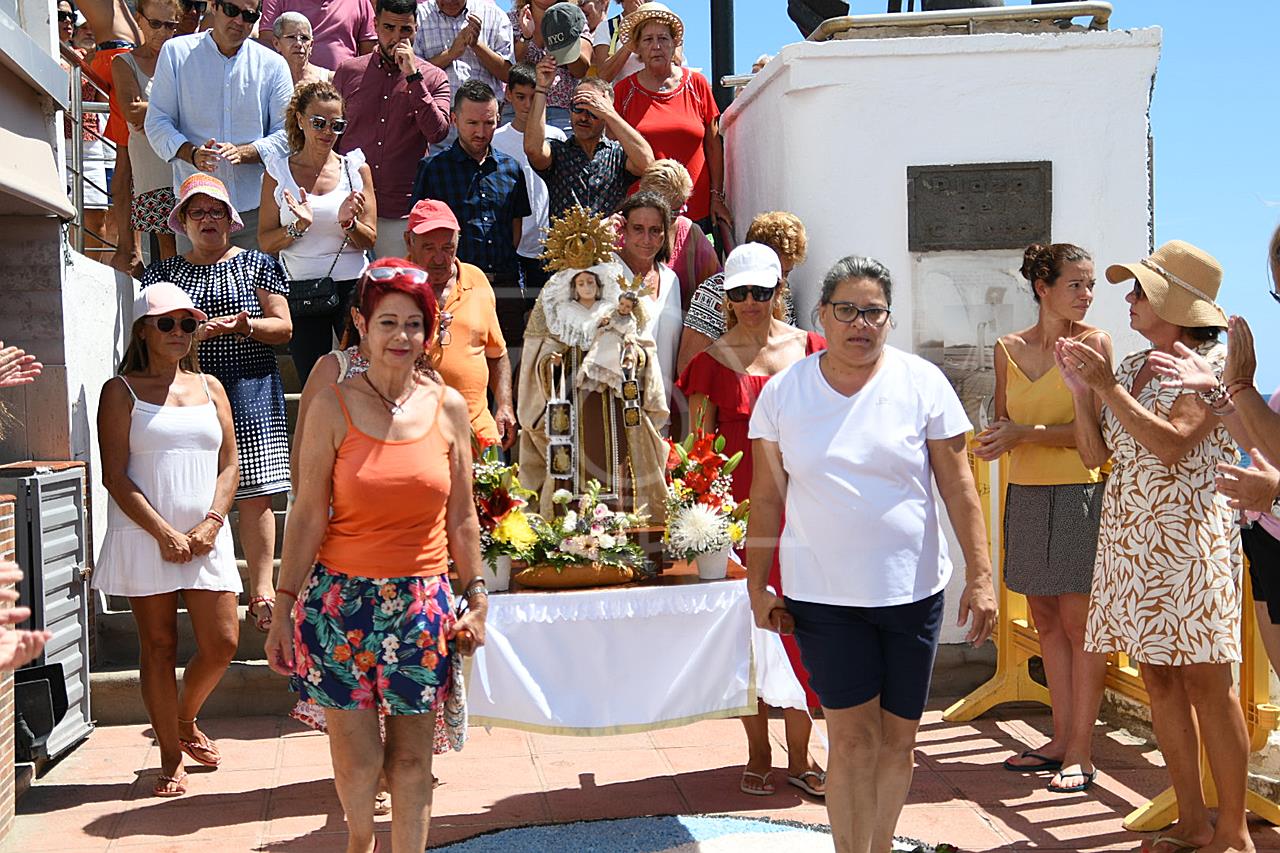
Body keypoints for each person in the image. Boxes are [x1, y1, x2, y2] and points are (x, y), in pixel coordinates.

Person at [747, 255, 996, 853]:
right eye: (847, 311)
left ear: (889, 319)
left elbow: (959, 486)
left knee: (898, 742)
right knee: (853, 740)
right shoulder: (784, 394)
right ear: (821, 316)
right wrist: (757, 586)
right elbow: (766, 499)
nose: (860, 324)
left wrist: (981, 576)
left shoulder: (923, 383)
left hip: (912, 592)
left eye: (874, 312)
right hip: (823, 597)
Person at [264, 261, 487, 853]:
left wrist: (477, 596)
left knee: (412, 764)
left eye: (414, 323)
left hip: (422, 606)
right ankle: (360, 841)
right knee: (359, 764)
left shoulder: (448, 409)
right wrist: (283, 605)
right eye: (388, 322)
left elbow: (462, 516)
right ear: (361, 324)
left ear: (429, 331)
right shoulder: (331, 406)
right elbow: (307, 514)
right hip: (339, 607)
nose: (401, 336)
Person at [1055, 241, 1251, 853]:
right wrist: (1083, 394)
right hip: (1132, 543)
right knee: (1160, 681)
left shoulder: (1210, 364)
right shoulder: (1137, 364)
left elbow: (1172, 444)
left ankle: (1234, 831)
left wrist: (1106, 387)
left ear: (1176, 303)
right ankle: (1192, 821)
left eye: (1141, 290)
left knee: (1209, 686)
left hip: (1189, 544)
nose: (1129, 299)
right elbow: (1095, 456)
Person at [676, 243, 827, 799]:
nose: (749, 302)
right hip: (740, 518)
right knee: (750, 635)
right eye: (738, 292)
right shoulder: (709, 363)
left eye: (760, 291)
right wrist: (704, 523)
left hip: (806, 511)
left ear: (778, 290)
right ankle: (759, 751)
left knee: (805, 627)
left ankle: (803, 754)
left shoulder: (813, 351)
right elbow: (697, 452)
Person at [970, 244, 1113, 779]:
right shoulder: (1007, 349)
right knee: (1046, 622)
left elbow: (1093, 435)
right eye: (1076, 284)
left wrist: (1024, 435)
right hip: (1026, 494)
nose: (1087, 294)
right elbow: (1005, 421)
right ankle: (1060, 740)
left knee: (1080, 626)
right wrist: (996, 440)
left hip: (1080, 493)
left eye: (1090, 284)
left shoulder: (1095, 343)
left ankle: (1081, 752)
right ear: (1042, 288)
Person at [94, 281, 241, 798]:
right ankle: (170, 757)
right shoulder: (120, 391)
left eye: (188, 323)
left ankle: (183, 719)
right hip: (145, 534)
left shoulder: (211, 386)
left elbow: (230, 465)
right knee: (158, 646)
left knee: (222, 643)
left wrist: (212, 522)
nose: (179, 331)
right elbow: (114, 475)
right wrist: (163, 532)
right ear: (143, 330)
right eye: (167, 323)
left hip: (206, 535)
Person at [142, 174, 292, 636]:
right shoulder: (162, 274)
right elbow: (146, 333)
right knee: (192, 485)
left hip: (249, 384)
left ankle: (262, 590)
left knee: (256, 490)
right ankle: (201, 584)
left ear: (230, 220)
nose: (207, 219)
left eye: (216, 211)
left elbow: (284, 327)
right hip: (187, 390)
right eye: (197, 212)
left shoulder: (258, 263)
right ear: (183, 222)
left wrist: (244, 326)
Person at [144, 0, 293, 252]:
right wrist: (192, 153)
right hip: (195, 209)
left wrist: (247, 152)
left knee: (255, 280)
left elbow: (287, 133)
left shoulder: (273, 64)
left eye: (249, 15)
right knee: (192, 280)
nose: (239, 21)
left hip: (254, 209)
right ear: (213, 6)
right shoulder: (176, 53)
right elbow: (157, 121)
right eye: (232, 11)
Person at [259, 81, 375, 384]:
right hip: (300, 288)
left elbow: (370, 238)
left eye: (337, 125)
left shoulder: (355, 168)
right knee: (313, 381)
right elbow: (266, 241)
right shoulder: (277, 171)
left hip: (351, 286)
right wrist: (297, 228)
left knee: (362, 378)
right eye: (319, 122)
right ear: (300, 119)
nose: (327, 132)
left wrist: (349, 224)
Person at [413, 80, 532, 367]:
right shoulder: (433, 170)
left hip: (504, 287)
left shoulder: (511, 169)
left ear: (498, 118)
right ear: (454, 119)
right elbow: (419, 233)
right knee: (454, 367)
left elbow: (515, 229)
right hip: (454, 289)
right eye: (472, 123)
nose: (480, 132)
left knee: (507, 367)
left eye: (488, 123)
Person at [334, 0, 452, 260]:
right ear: (375, 25)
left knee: (396, 284)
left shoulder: (433, 78)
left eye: (405, 30)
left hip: (400, 212)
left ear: (416, 29)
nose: (397, 38)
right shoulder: (348, 71)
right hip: (348, 206)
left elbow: (437, 133)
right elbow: (332, 136)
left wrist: (413, 77)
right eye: (389, 28)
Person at [403, 199, 517, 449]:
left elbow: (497, 354)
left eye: (448, 247)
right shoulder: (393, 288)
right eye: (429, 247)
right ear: (408, 242)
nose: (439, 258)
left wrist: (504, 406)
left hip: (478, 430)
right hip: (413, 432)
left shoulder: (476, 279)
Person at [613, 3, 731, 234]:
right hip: (643, 220)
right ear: (638, 47)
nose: (656, 46)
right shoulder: (623, 91)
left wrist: (717, 197)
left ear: (674, 43)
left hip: (696, 214)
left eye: (663, 38)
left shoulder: (697, 84)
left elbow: (713, 145)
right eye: (648, 40)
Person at [677, 211, 807, 374]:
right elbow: (687, 366)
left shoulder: (783, 293)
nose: (780, 280)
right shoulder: (714, 291)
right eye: (775, 269)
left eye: (786, 273)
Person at [525, 57, 653, 218]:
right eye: (578, 108)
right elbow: (533, 149)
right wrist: (541, 89)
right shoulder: (558, 152)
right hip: (564, 235)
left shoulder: (618, 155)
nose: (584, 118)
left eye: (593, 111)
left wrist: (610, 113)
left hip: (608, 235)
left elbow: (647, 164)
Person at [109, 0, 182, 276]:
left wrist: (152, 113)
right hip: (153, 170)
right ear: (139, 20)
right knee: (168, 250)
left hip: (186, 165)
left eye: (170, 25)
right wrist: (179, 111)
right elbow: (131, 112)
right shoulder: (124, 62)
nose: (162, 32)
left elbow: (143, 112)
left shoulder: (185, 59)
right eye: (155, 23)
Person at [492, 62, 567, 296]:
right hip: (510, 243)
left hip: (548, 244)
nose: (527, 104)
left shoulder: (557, 137)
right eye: (520, 97)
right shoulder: (495, 139)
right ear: (508, 94)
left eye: (533, 97)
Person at [613, 191, 680, 412]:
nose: (646, 239)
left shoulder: (671, 280)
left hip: (662, 413)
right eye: (638, 229)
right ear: (623, 229)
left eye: (655, 230)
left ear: (665, 234)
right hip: (618, 411)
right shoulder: (606, 272)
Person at [637, 158, 720, 310]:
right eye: (663, 213)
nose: (668, 221)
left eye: (677, 211)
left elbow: (718, 287)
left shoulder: (690, 232)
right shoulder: (618, 232)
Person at [414, 0, 513, 121]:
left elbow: (507, 74)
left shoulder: (494, 15)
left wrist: (476, 45)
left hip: (485, 118)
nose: (450, 1)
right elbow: (411, 74)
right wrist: (450, 54)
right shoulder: (418, 17)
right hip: (437, 116)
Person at [509, 0, 591, 134]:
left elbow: (581, 70)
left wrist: (564, 41)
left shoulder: (573, 16)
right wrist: (526, 37)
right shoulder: (511, 20)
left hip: (561, 111)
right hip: (518, 110)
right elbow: (509, 67)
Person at [258, 0, 375, 72]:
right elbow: (267, 47)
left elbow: (368, 56)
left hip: (342, 90)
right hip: (290, 87)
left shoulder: (360, 2)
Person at [269, 12, 335, 85]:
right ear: (276, 43)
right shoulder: (267, 81)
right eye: (291, 37)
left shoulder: (330, 80)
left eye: (304, 38)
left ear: (311, 45)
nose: (299, 44)